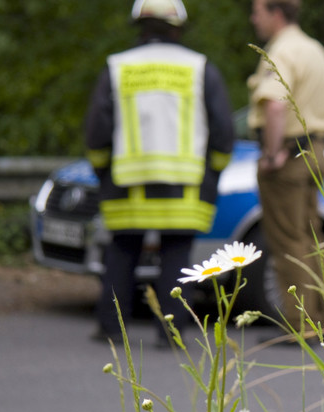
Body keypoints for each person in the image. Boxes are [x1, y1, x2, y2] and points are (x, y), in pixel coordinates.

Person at [85, 0, 234, 344]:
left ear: (139, 26)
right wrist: (213, 172)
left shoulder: (117, 67)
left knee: (121, 252)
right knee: (176, 255)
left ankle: (110, 329)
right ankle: (170, 334)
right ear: (178, 27)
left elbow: (97, 130)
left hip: (126, 184)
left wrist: (102, 170)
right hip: (185, 186)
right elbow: (223, 129)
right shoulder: (200, 67)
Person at [247, 0, 324, 333]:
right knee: (311, 237)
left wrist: (271, 155)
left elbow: (275, 106)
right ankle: (323, 319)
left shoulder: (281, 52)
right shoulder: (314, 49)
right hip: (314, 151)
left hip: (287, 156)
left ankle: (301, 323)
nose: (253, 19)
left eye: (258, 12)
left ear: (276, 13)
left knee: (288, 243)